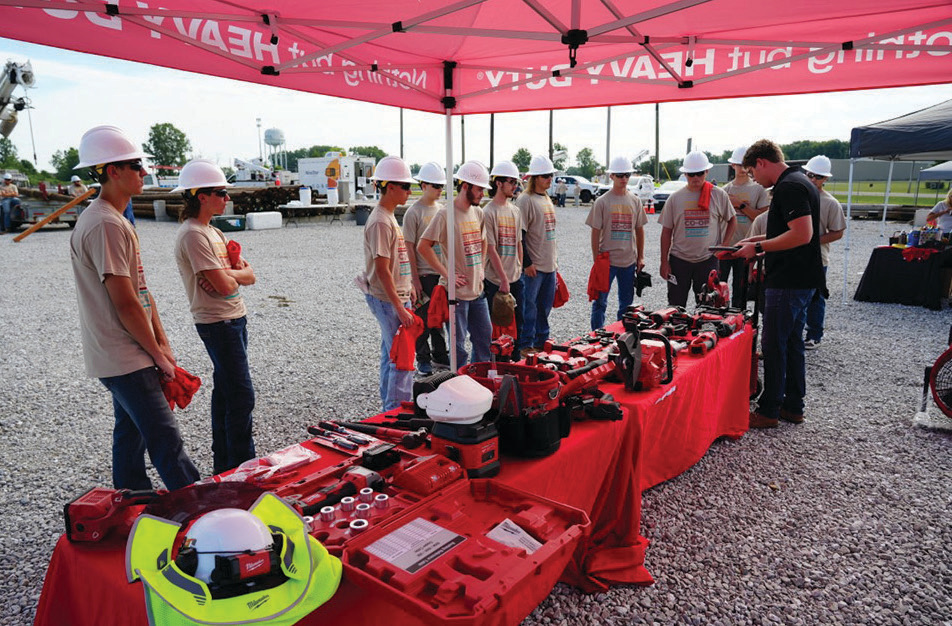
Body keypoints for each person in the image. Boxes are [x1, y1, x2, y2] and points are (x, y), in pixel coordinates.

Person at [69, 125, 199, 490]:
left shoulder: (111, 220)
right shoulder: (105, 225)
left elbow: (141, 291)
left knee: (131, 435)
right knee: (165, 439)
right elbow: (124, 302)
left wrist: (164, 345)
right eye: (136, 165)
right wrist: (157, 354)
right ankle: (202, 510)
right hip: (126, 354)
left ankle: (130, 502)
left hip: (121, 353)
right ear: (112, 170)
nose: (144, 172)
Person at [733, 139, 824, 429]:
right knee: (792, 343)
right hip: (801, 278)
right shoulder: (801, 181)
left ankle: (769, 408)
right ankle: (793, 406)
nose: (755, 180)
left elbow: (802, 234)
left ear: (762, 162)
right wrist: (755, 240)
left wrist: (759, 250)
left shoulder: (790, 186)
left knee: (773, 345)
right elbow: (787, 232)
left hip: (788, 280)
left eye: (752, 171)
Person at [173, 159, 257, 474]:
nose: (226, 198)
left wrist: (231, 275)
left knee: (226, 391)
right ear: (201, 196)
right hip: (218, 322)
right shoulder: (194, 235)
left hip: (233, 318)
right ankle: (243, 466)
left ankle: (225, 464)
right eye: (220, 192)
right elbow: (224, 283)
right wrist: (232, 275)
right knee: (241, 395)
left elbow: (250, 275)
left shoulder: (213, 231)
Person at [418, 160, 494, 366]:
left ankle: (479, 378)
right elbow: (423, 246)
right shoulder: (445, 214)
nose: (482, 194)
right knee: (458, 346)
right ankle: (460, 381)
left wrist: (481, 269)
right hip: (457, 294)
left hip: (477, 291)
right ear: (465, 186)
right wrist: (447, 274)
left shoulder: (478, 212)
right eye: (479, 189)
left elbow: (484, 240)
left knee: (485, 339)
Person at [362, 155, 416, 411]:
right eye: (405, 186)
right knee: (401, 358)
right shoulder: (382, 221)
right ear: (389, 186)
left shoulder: (387, 217)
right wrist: (400, 306)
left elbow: (393, 263)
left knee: (390, 354)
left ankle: (389, 408)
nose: (409, 190)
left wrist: (408, 288)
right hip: (387, 299)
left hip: (391, 296)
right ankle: (396, 411)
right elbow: (383, 270)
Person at [659, 151, 736, 307]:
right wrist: (663, 262)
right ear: (685, 174)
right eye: (691, 174)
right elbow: (666, 232)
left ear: (706, 172)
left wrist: (723, 246)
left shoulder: (718, 195)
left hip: (707, 260)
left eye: (700, 173)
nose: (695, 178)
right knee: (675, 306)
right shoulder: (675, 198)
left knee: (708, 307)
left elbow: (732, 219)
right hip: (679, 260)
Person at [588, 155, 647, 330]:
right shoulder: (602, 202)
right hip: (607, 259)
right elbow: (595, 231)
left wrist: (641, 257)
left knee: (626, 304)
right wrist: (596, 257)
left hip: (628, 260)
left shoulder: (635, 201)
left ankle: (622, 335)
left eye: (627, 175)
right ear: (612, 176)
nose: (624, 179)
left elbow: (639, 229)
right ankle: (597, 335)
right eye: (620, 175)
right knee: (600, 302)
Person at [402, 161, 449, 374]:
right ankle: (423, 359)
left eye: (441, 186)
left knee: (438, 319)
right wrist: (415, 278)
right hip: (423, 273)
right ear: (423, 185)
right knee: (422, 321)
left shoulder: (442, 210)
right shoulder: (414, 213)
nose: (440, 190)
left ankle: (440, 356)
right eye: (436, 186)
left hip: (440, 274)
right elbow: (409, 248)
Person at [515, 155, 558, 357]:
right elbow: (520, 235)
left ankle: (541, 341)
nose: (549, 179)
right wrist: (527, 263)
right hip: (535, 266)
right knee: (529, 308)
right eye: (545, 176)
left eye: (550, 175)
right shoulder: (525, 200)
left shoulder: (547, 198)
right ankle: (525, 344)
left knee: (544, 307)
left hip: (549, 264)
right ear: (534, 178)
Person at [802, 155, 846, 350]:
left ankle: (814, 334)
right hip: (793, 255)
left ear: (825, 179)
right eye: (810, 175)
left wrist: (812, 241)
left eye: (818, 177)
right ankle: (797, 332)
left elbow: (838, 232)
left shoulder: (830, 203)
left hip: (818, 257)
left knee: (816, 297)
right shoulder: (797, 195)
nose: (813, 180)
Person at [721, 146, 770, 307]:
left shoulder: (758, 189)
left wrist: (740, 205)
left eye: (745, 165)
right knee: (720, 289)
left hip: (746, 245)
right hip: (726, 245)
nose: (742, 169)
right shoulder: (724, 191)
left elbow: (761, 217)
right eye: (738, 165)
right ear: (732, 165)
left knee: (740, 290)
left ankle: (738, 322)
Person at [483, 160, 524, 336]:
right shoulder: (488, 212)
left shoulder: (515, 211)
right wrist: (503, 279)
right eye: (512, 182)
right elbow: (491, 249)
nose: (515, 186)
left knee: (517, 323)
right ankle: (495, 362)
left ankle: (513, 360)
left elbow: (519, 242)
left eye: (517, 182)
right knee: (496, 326)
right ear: (498, 183)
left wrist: (519, 268)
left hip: (515, 277)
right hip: (495, 280)